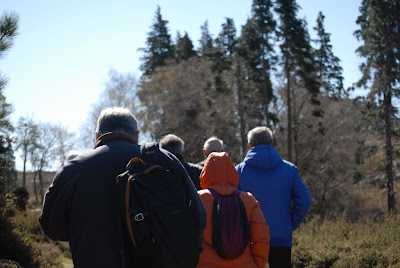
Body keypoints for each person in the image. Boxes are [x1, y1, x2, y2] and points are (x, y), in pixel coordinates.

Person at [39, 107, 205, 267]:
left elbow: (52, 227)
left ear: (97, 136)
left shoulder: (72, 170)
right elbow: (198, 216)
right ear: (137, 135)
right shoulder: (162, 159)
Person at [236, 126, 311, 268]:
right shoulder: (289, 169)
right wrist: (291, 223)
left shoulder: (239, 171)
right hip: (281, 236)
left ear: (250, 145)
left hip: (250, 237)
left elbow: (232, 204)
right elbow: (305, 200)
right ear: (272, 142)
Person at [197, 152, 270, 268]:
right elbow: (261, 238)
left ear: (205, 173)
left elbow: (185, 239)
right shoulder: (249, 200)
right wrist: (257, 264)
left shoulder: (198, 199)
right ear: (232, 172)